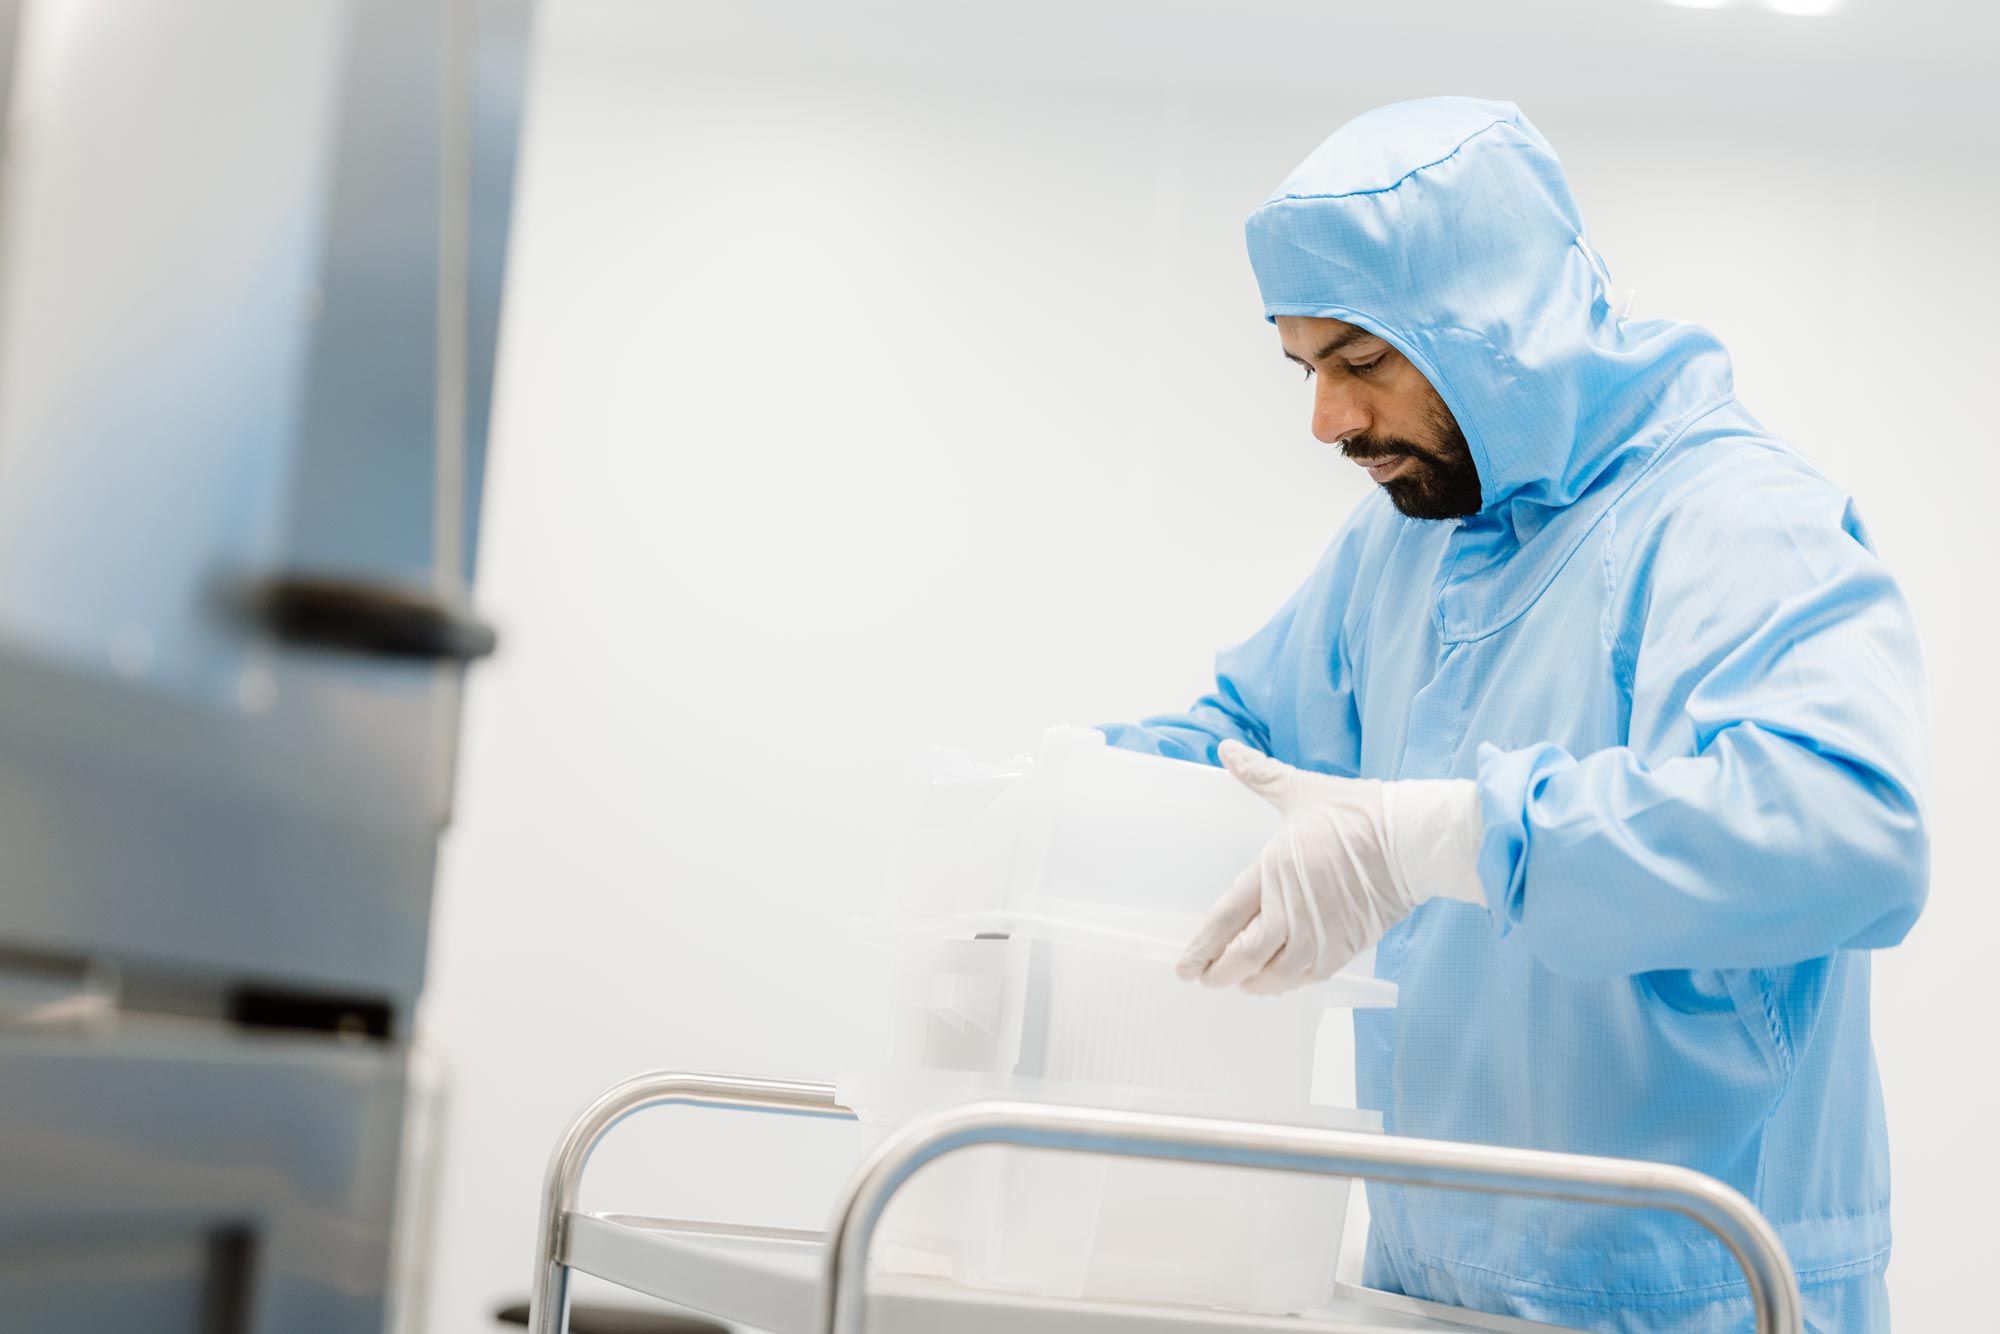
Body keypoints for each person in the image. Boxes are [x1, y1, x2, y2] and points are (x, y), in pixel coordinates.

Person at [1100, 97, 1927, 1332]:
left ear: (1496, 329)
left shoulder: (1732, 521)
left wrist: (1444, 834)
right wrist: (1065, 817)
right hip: (1424, 1283)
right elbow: (1234, 742)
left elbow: (1845, 831)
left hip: (1697, 1292)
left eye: (1360, 362)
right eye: (1307, 367)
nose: (1326, 421)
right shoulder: (1406, 552)